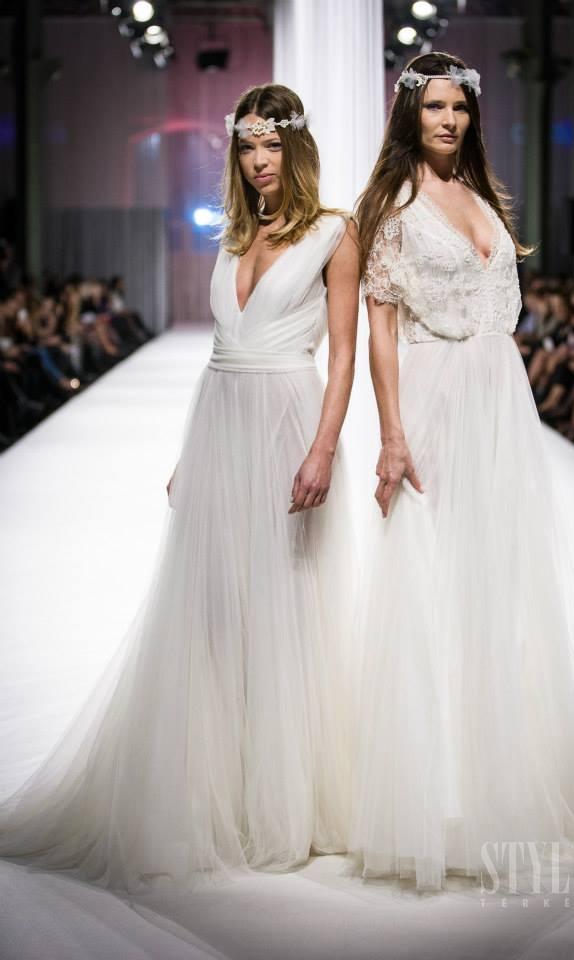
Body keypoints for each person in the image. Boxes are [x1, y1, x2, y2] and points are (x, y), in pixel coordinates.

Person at [0, 83, 360, 892]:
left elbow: (342, 353)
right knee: (216, 608)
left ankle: (284, 800)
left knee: (285, 605)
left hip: (289, 422)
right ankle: (216, 789)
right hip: (221, 424)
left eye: (272, 144)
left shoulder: (335, 233)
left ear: (297, 148)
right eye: (247, 145)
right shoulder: (233, 236)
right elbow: (223, 352)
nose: (259, 160)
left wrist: (325, 446)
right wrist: (190, 453)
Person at [347, 52, 574, 893]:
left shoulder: (481, 195)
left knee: (502, 582)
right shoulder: (392, 208)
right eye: (434, 107)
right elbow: (379, 330)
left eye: (460, 108)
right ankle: (429, 797)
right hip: (436, 394)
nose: (449, 120)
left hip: (500, 398)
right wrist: (392, 435)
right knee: (432, 583)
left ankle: (505, 783)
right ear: (409, 115)